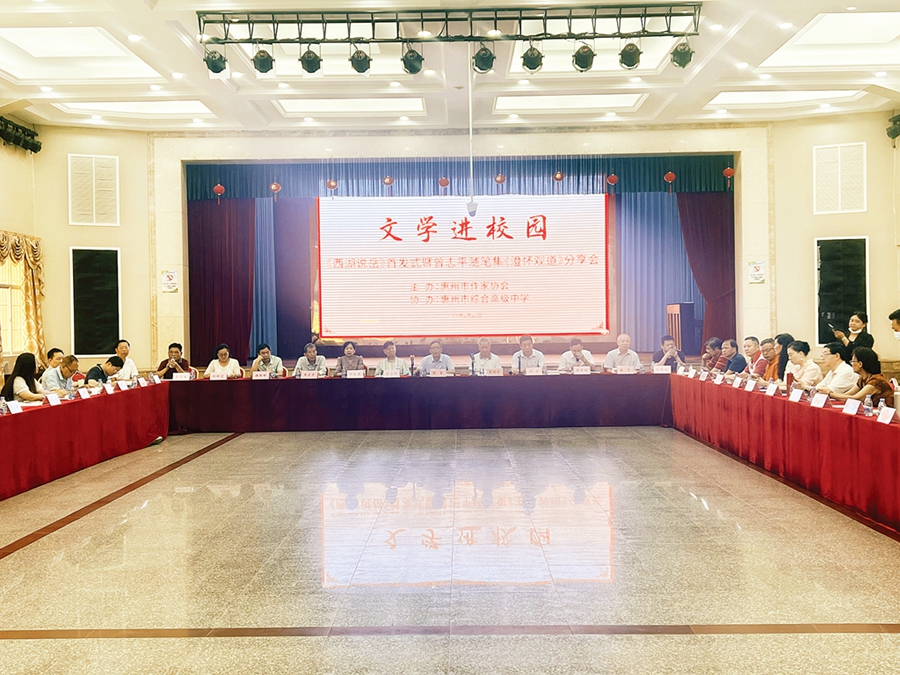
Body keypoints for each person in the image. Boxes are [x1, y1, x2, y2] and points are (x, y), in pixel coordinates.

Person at [828, 347, 894, 408]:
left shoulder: (876, 381)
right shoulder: (862, 379)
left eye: (853, 361)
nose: (851, 364)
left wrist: (830, 394)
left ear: (860, 364)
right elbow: (847, 395)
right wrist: (830, 394)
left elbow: (857, 398)